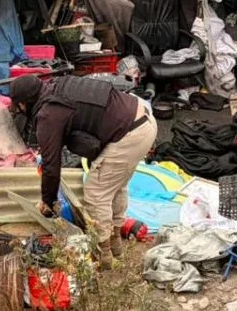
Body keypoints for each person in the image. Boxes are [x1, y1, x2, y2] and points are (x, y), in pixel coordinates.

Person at [9, 74, 156, 267]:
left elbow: (52, 168)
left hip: (129, 133)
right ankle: (116, 246)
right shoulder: (57, 85)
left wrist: (48, 202)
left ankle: (103, 256)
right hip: (143, 119)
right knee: (116, 187)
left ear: (24, 104)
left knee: (96, 194)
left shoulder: (48, 115)